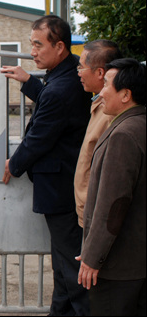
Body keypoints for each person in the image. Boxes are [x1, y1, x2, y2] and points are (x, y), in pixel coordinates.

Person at [0, 15, 91, 315]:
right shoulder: (68, 75)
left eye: (39, 45)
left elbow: (39, 137)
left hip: (61, 189)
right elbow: (56, 108)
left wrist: (13, 165)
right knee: (64, 265)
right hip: (67, 186)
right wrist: (30, 82)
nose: (33, 51)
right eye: (31, 44)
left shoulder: (61, 87)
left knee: (70, 267)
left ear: (60, 46)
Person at [76, 58, 146, 316]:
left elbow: (113, 205)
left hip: (118, 267)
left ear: (126, 94)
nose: (101, 91)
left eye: (107, 85)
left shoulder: (124, 135)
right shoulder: (139, 124)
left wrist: (92, 257)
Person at [74, 40, 123, 227]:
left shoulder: (110, 112)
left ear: (100, 72)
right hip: (89, 209)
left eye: (81, 67)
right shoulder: (98, 103)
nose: (78, 73)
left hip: (97, 214)